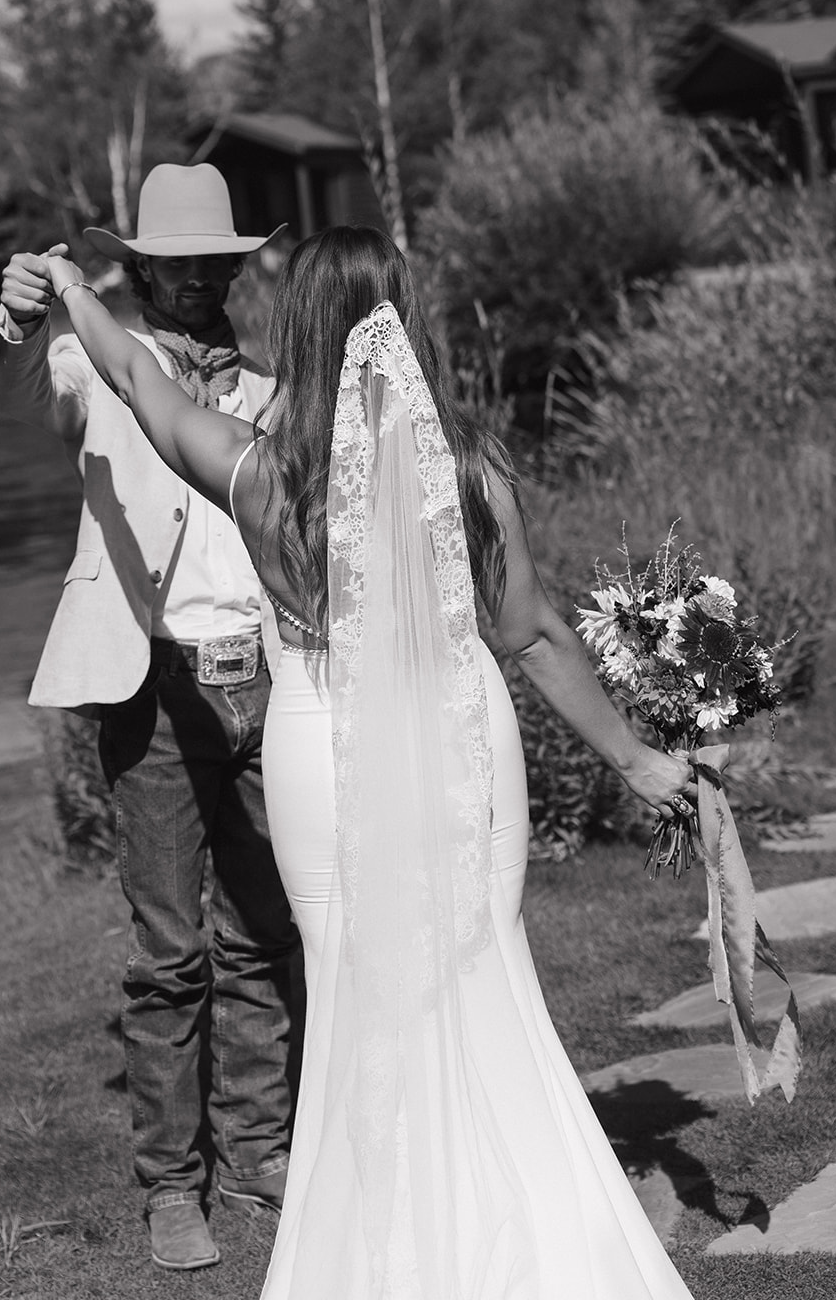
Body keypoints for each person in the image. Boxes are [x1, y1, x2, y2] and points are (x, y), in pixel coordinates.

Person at [40, 223, 698, 1299]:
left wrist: (71, 282)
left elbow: (131, 375)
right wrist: (634, 761)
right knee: (482, 970)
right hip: (462, 740)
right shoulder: (469, 469)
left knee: (349, 987)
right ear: (407, 320)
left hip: (316, 745)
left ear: (296, 329)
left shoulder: (252, 467)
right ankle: (517, 1227)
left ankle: (383, 1241)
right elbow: (527, 632)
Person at [0, 164, 299, 1274]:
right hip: (153, 692)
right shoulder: (92, 356)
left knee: (265, 933)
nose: (199, 277)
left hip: (268, 682)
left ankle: (261, 1153)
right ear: (142, 267)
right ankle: (173, 1185)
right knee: (171, 954)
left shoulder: (270, 383)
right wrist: (20, 314)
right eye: (178, 262)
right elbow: (19, 385)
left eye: (215, 260)